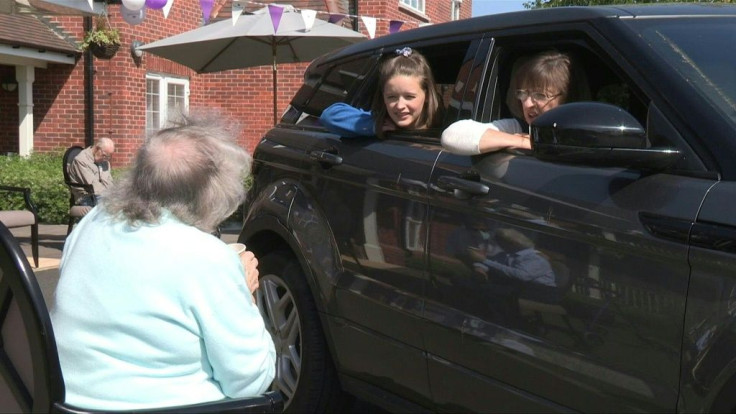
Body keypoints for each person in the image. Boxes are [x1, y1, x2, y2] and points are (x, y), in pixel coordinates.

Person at [51, 113, 276, 410]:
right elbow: (251, 381)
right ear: (215, 193)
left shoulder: (93, 221)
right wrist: (245, 294)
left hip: (63, 401)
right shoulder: (207, 257)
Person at [442, 50, 588, 155]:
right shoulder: (520, 128)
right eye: (523, 94)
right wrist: (524, 142)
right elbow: (451, 135)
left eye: (540, 95)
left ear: (568, 97)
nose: (527, 104)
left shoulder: (588, 133)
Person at [320, 46, 443, 138]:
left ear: (426, 95)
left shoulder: (444, 130)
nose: (400, 106)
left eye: (409, 97)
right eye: (391, 97)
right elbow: (329, 115)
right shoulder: (381, 121)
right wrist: (374, 126)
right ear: (383, 96)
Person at [68, 137, 115, 206]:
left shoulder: (104, 161)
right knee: (111, 209)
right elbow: (94, 187)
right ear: (97, 149)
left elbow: (109, 182)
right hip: (86, 197)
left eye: (108, 156)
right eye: (104, 155)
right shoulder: (81, 161)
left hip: (103, 195)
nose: (106, 159)